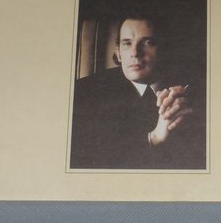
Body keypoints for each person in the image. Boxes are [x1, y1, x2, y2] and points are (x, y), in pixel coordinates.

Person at [70, 13, 206, 169]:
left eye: (147, 42)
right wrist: (153, 138)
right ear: (118, 54)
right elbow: (85, 161)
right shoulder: (84, 93)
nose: (135, 52)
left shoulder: (196, 90)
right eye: (127, 43)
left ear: (165, 49)